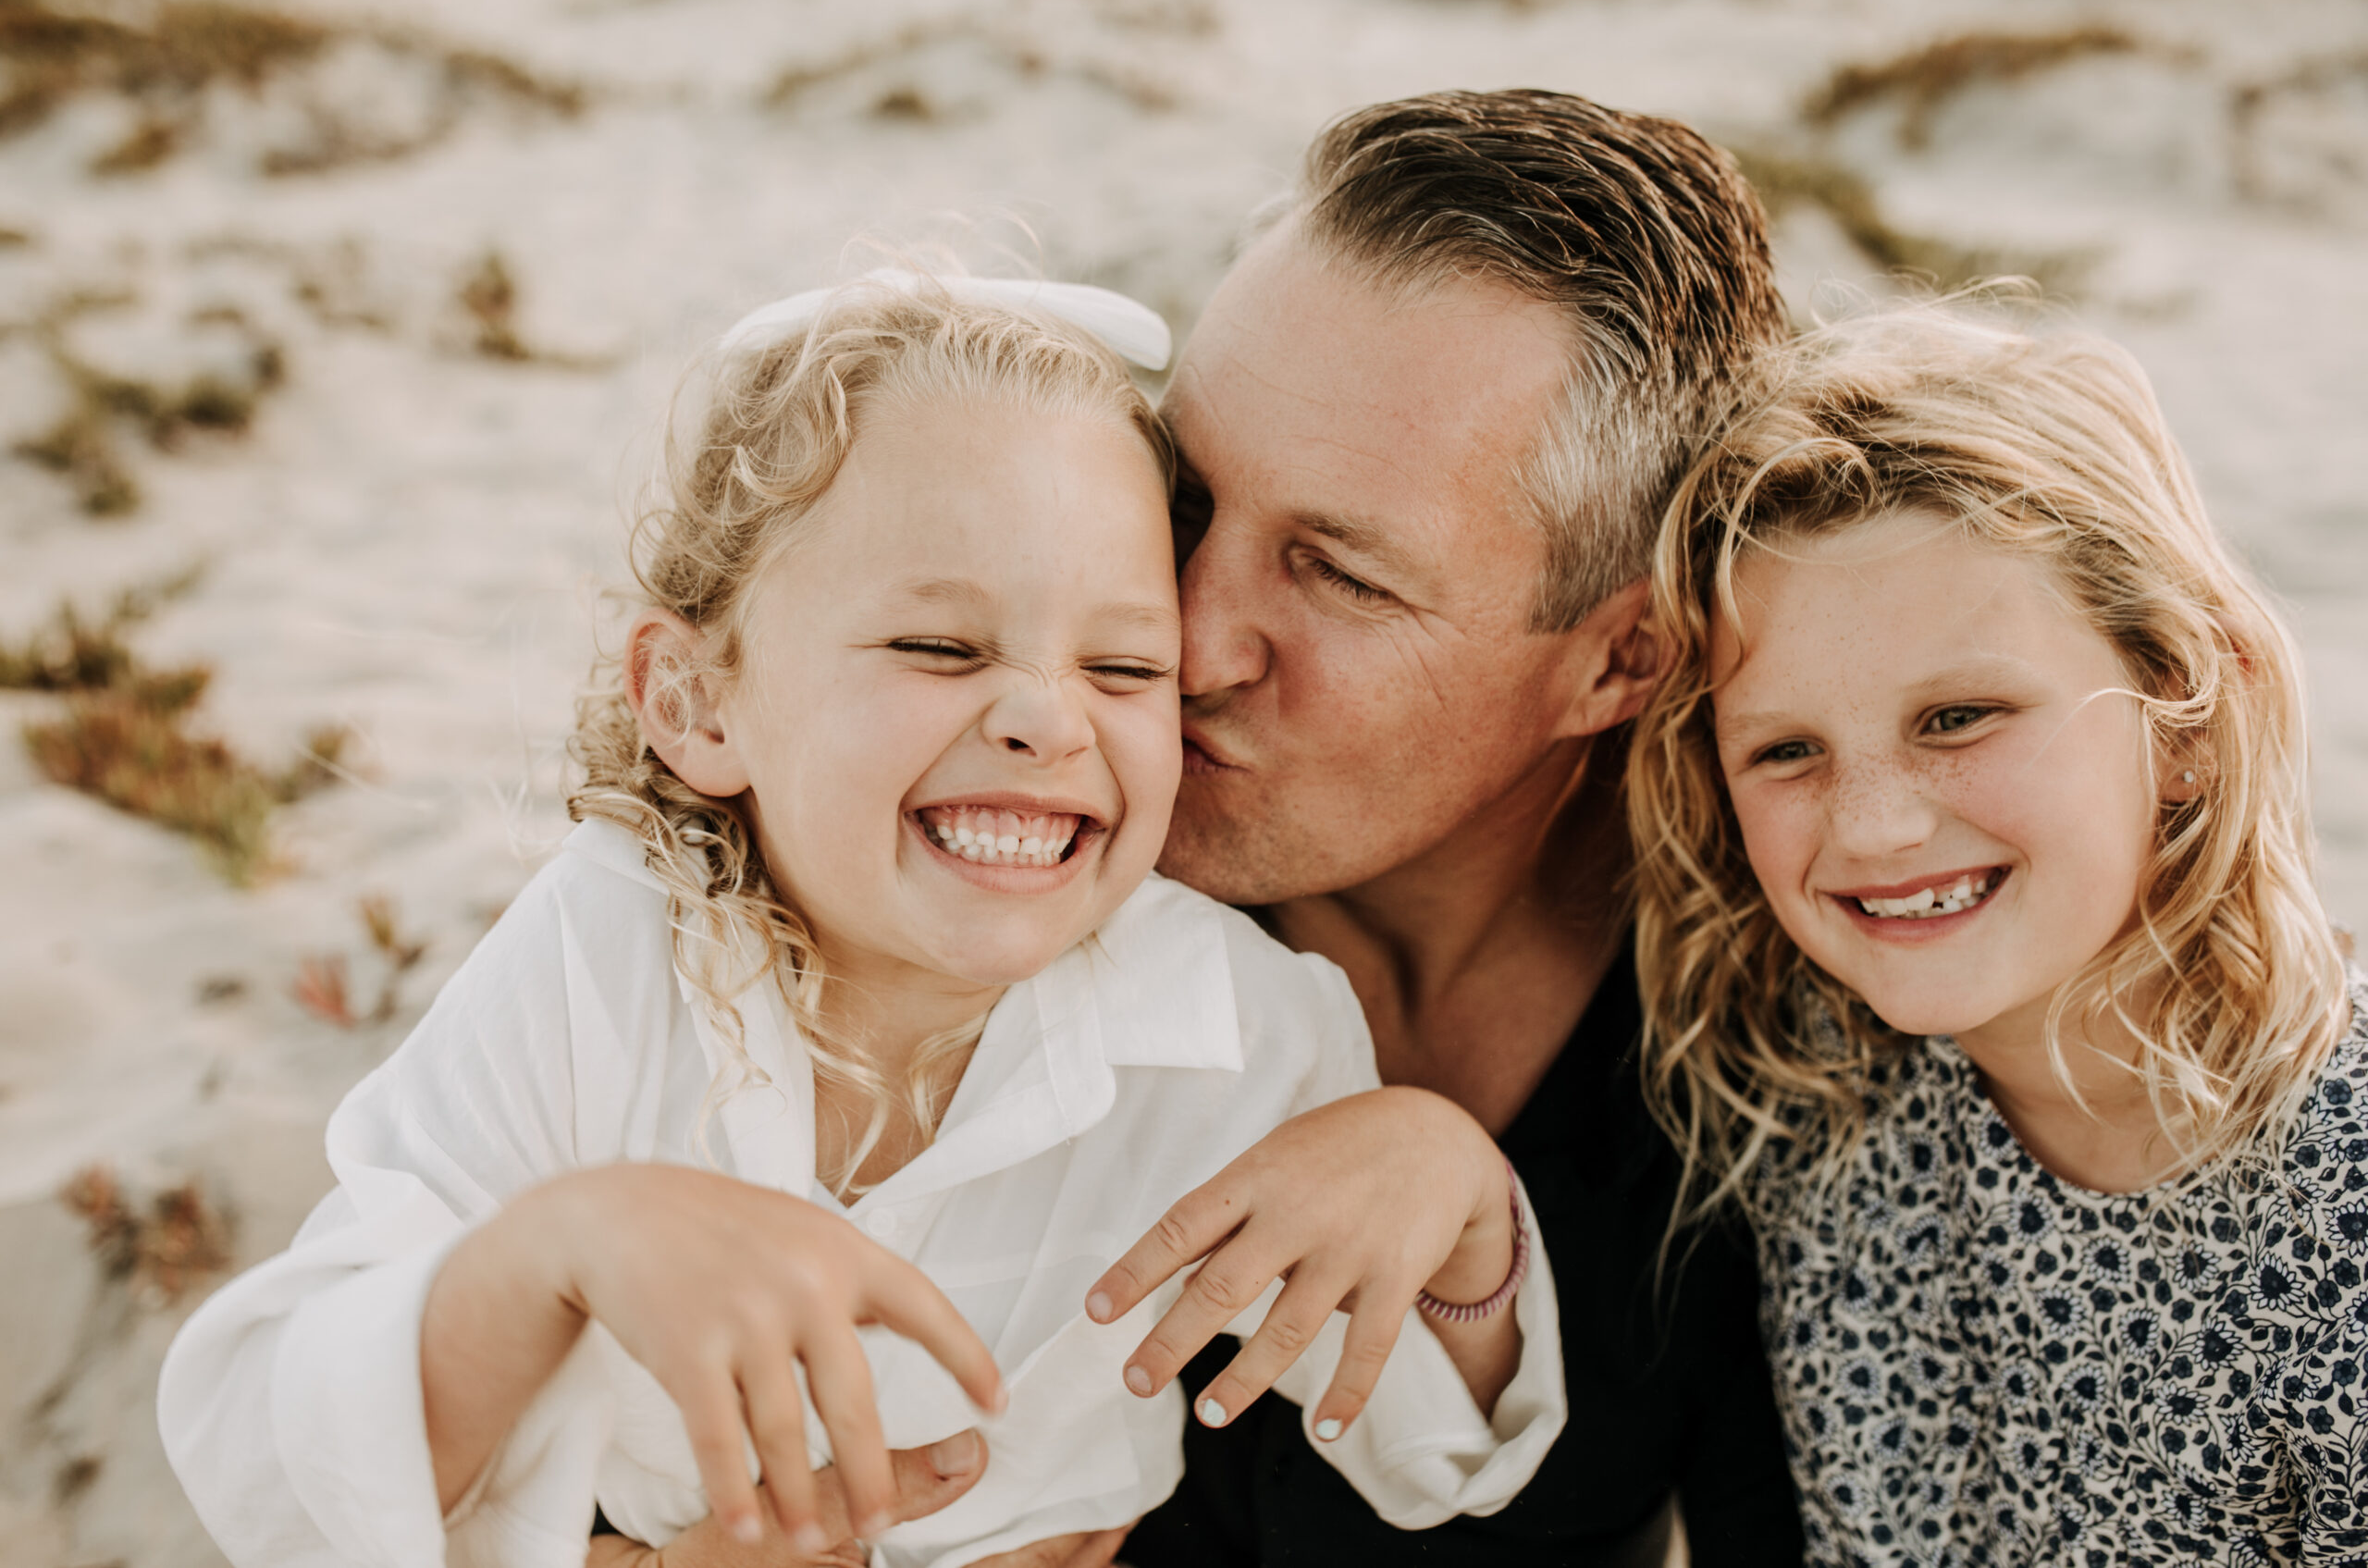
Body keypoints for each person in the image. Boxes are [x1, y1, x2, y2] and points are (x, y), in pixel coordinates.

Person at [154, 275, 1565, 1568]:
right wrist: (559, 1248)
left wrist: (1451, 1210)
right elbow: (273, 1463)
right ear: (698, 701)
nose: (1041, 716)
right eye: (941, 646)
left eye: (1125, 664)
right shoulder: (613, 953)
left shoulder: (1235, 1029)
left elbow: (1436, 1458)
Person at [1104, 90, 1808, 1566]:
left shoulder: (1784, 1037)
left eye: (1341, 577)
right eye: (1183, 497)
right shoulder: (968, 869)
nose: (1187, 639)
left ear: (1624, 658)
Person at [1627, 300, 2365, 1561]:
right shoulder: (1811, 1083)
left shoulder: (2336, 1205)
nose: (1871, 830)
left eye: (1959, 717)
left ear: (2185, 718)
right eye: (1787, 750)